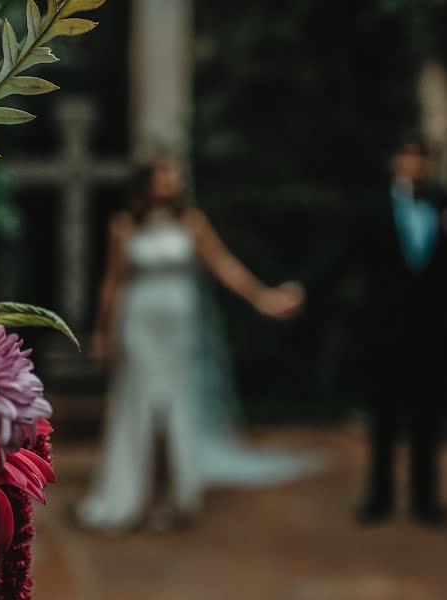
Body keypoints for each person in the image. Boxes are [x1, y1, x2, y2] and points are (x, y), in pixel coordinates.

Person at [75, 158, 309, 532]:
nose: (171, 180)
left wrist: (262, 297)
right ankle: (140, 494)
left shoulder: (192, 223)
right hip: (139, 324)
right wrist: (104, 333)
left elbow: (224, 266)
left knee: (174, 406)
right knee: (140, 406)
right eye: (164, 173)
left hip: (178, 329)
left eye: (175, 174)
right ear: (148, 180)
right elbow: (113, 283)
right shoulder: (124, 225)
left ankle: (172, 496)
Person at [302, 136, 447, 526]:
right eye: (408, 157)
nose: (415, 165)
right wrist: (305, 289)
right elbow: (341, 257)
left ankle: (425, 497)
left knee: (428, 416)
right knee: (383, 415)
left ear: (429, 164)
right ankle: (378, 496)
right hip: (386, 328)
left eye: (422, 158)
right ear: (396, 162)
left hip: (434, 332)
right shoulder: (373, 211)